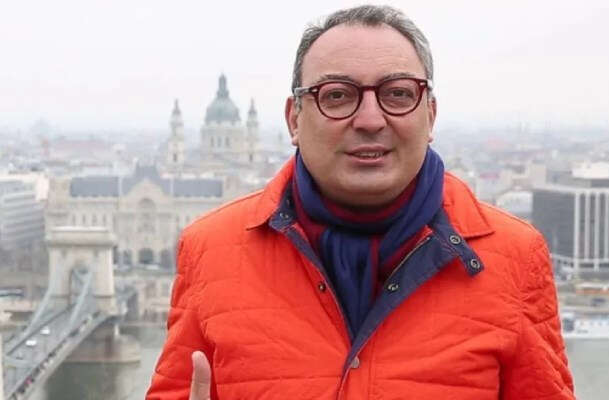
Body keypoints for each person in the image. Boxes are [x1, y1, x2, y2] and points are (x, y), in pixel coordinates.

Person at [146, 5, 574, 400]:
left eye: (398, 94)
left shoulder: (515, 257)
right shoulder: (210, 249)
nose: (370, 120)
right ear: (294, 119)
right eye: (336, 95)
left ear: (430, 115)